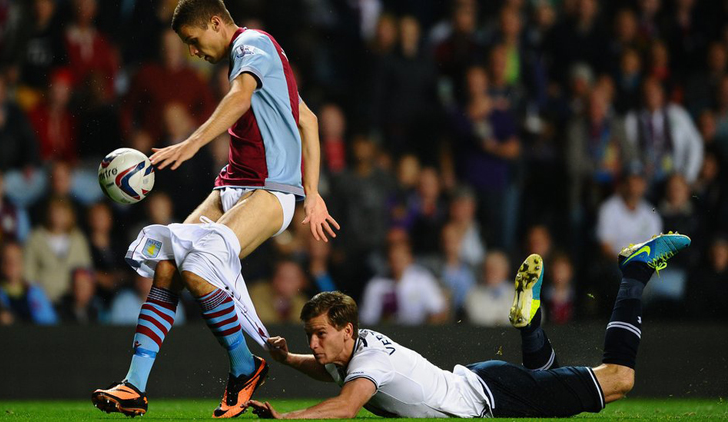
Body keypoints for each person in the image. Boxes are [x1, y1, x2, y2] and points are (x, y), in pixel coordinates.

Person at [91, 0, 338, 418]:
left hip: (269, 191)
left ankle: (245, 368)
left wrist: (190, 143)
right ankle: (134, 385)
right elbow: (308, 120)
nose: (192, 51)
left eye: (193, 40)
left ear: (215, 22)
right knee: (168, 262)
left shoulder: (251, 44)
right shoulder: (254, 59)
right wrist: (313, 192)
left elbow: (241, 96)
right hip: (231, 184)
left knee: (200, 268)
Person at [245, 232, 691, 418]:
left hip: (490, 394)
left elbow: (345, 406)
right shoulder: (350, 350)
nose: (314, 343)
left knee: (620, 379)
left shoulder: (369, 363)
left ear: (346, 329)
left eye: (319, 334)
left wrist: (286, 417)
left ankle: (635, 272)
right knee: (547, 381)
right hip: (483, 381)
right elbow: (327, 367)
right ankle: (530, 321)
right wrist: (289, 359)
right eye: (310, 335)